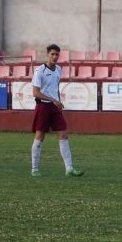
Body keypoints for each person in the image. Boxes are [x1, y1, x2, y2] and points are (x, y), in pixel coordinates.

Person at [30, 44, 84, 177]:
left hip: (55, 107)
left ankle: (69, 168)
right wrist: (53, 100)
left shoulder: (59, 69)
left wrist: (57, 101)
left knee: (63, 134)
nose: (55, 57)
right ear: (47, 54)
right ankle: (35, 169)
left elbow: (54, 88)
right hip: (43, 106)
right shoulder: (39, 71)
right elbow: (35, 92)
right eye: (52, 54)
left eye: (57, 54)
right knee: (40, 137)